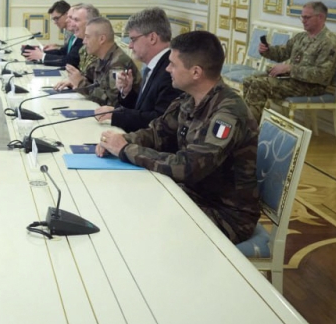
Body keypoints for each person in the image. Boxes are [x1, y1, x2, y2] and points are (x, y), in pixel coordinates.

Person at [97, 31, 259, 244]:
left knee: (139, 225)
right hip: (192, 195)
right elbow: (158, 133)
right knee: (128, 201)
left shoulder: (227, 114)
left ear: (196, 72)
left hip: (225, 214)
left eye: (173, 64)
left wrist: (126, 150)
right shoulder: (189, 99)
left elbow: (188, 167)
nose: (167, 69)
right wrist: (123, 140)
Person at [241, 1, 336, 121]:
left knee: (259, 84)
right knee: (249, 80)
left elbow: (321, 75)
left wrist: (290, 68)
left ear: (320, 17)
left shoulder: (329, 43)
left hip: (310, 87)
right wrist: (267, 50)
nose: (303, 21)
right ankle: (246, 122)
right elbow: (282, 53)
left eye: (307, 17)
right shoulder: (301, 37)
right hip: (292, 80)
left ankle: (250, 127)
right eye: (302, 17)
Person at [94, 7, 182, 132]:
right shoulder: (155, 65)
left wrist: (117, 115)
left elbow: (159, 120)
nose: (130, 45)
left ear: (152, 38)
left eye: (133, 39)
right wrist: (127, 93)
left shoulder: (170, 71)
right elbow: (142, 109)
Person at [62, 16, 136, 106]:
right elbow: (92, 82)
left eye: (87, 37)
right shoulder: (100, 58)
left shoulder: (117, 63)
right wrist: (75, 80)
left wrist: (80, 84)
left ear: (101, 39)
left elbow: (113, 103)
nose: (84, 42)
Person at [54, 3, 99, 88]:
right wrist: (75, 82)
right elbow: (89, 79)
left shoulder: (101, 49)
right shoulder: (84, 48)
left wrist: (80, 83)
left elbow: (105, 91)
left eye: (76, 20)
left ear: (91, 23)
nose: (71, 24)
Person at [22, 0, 74, 66]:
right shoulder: (67, 30)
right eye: (53, 19)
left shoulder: (75, 32)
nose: (55, 22)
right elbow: (68, 50)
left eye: (56, 18)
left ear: (66, 14)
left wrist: (42, 56)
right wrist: (43, 53)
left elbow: (70, 59)